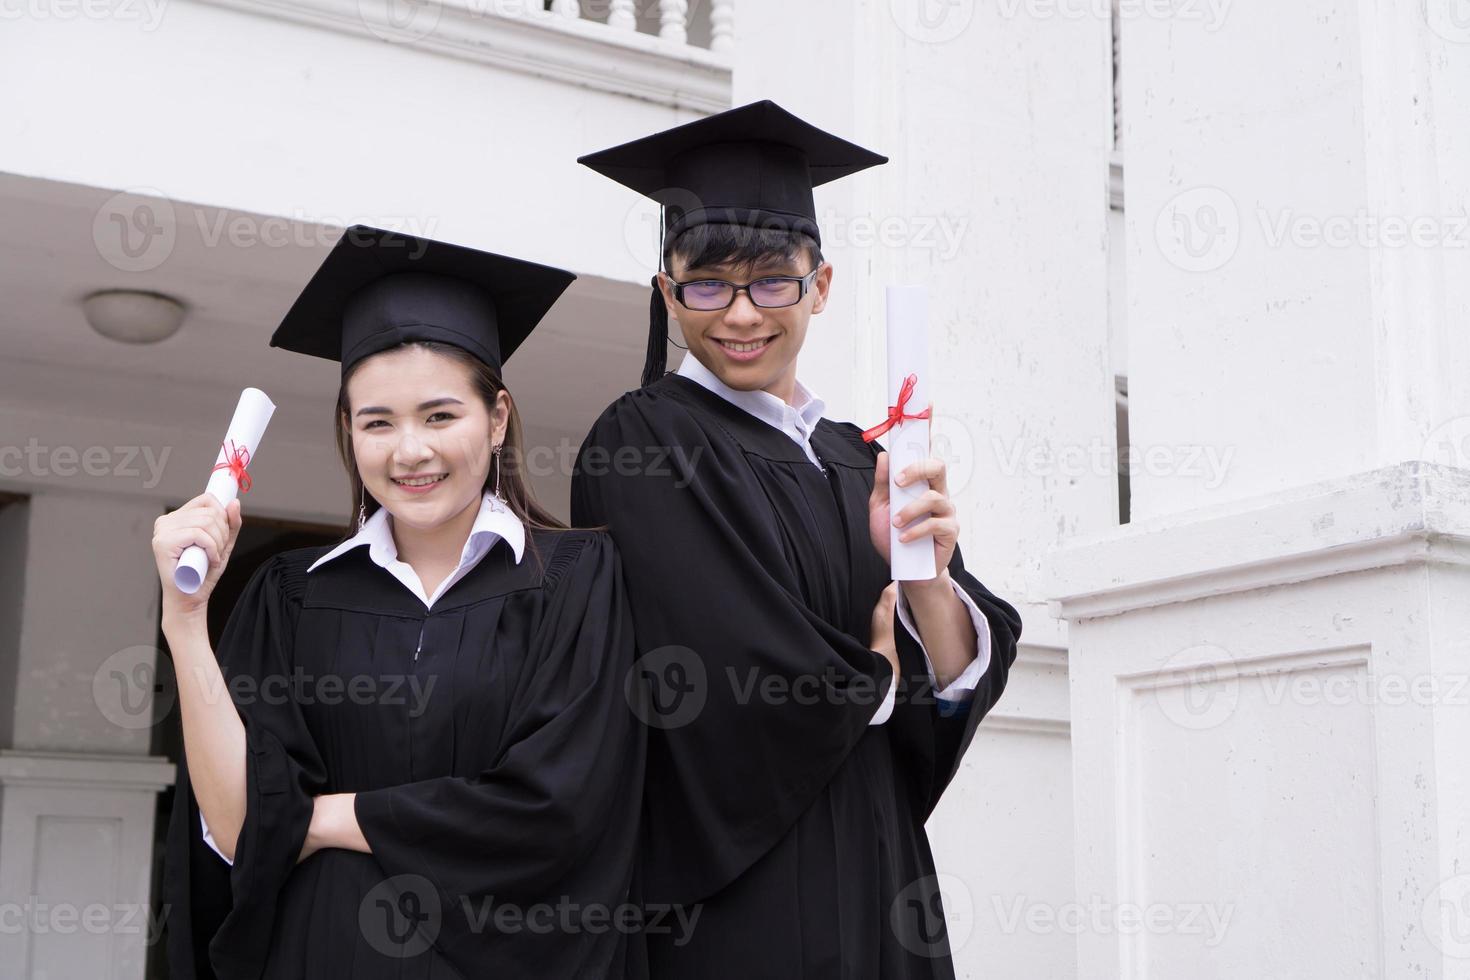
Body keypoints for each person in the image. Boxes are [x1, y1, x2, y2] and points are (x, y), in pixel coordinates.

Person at [572, 101, 1024, 978]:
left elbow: (959, 673)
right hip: (737, 888)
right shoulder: (642, 441)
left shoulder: (866, 457)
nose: (740, 313)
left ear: (820, 285)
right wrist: (875, 678)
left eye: (772, 281)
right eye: (707, 284)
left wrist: (925, 573)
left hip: (886, 871)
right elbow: (703, 648)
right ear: (668, 294)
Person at [153, 226, 645, 979]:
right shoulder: (292, 595)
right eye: (377, 422)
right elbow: (235, 823)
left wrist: (317, 817)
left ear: (499, 417)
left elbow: (558, 810)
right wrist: (185, 624)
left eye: (441, 415)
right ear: (349, 434)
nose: (409, 451)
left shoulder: (578, 580)